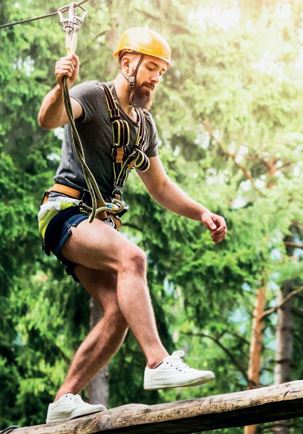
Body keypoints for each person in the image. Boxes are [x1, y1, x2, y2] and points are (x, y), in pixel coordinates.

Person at [37, 27, 227, 424]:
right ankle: (157, 361)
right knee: (132, 257)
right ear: (127, 62)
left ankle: (64, 400)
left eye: (161, 71)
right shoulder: (90, 96)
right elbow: (49, 118)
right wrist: (61, 86)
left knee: (119, 312)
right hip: (65, 210)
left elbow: (159, 185)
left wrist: (201, 213)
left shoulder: (143, 125)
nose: (156, 77)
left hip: (94, 221)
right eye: (151, 68)